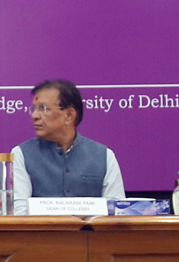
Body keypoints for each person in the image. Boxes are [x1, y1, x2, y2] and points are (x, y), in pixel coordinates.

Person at [9, 78, 125, 208]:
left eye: (43, 108)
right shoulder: (21, 154)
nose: (35, 116)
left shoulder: (104, 156)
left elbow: (116, 210)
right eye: (34, 109)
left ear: (69, 115)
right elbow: (19, 210)